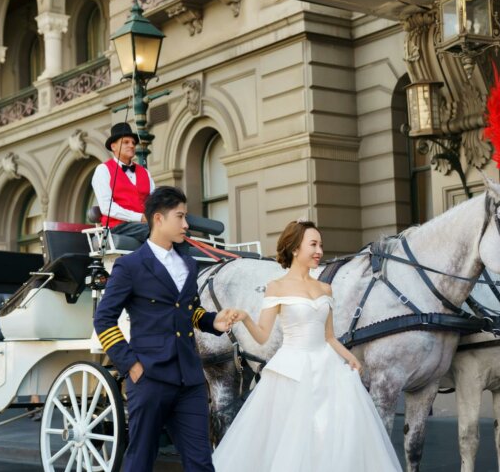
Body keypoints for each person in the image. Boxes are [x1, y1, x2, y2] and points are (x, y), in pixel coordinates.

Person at [212, 220, 402, 472]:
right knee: (293, 441)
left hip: (329, 370)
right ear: (294, 249)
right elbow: (262, 336)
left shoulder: (325, 287)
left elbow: (330, 336)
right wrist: (245, 317)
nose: (319, 251)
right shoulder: (276, 287)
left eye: (321, 245)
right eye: (313, 244)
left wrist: (350, 358)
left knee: (331, 439)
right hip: (292, 372)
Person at [93, 186, 237, 472]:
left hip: (190, 379)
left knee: (201, 462)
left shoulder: (188, 263)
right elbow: (104, 318)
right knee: (140, 459)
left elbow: (188, 310)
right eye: (180, 216)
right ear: (158, 219)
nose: (186, 225)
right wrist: (131, 365)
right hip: (149, 377)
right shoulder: (129, 265)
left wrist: (213, 321)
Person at [91, 121, 154, 243]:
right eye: (126, 142)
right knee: (156, 231)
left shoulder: (145, 173)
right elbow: (106, 208)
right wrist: (139, 217)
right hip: (117, 227)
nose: (131, 145)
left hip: (142, 225)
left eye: (133, 143)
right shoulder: (103, 170)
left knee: (176, 232)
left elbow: (154, 200)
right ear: (113, 146)